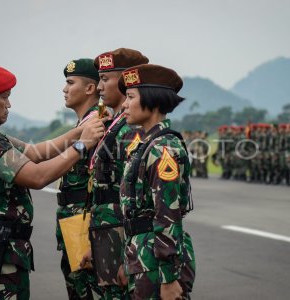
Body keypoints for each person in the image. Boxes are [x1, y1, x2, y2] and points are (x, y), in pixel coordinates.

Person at [0, 64, 105, 299]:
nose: (9, 104)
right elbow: (37, 176)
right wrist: (81, 146)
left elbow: (34, 152)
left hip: (0, 246)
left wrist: (77, 133)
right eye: (4, 98)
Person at [118, 64, 196, 299]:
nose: (124, 104)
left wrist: (169, 277)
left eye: (130, 97)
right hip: (143, 256)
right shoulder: (148, 144)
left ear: (152, 101)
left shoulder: (162, 149)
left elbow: (166, 215)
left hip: (156, 264)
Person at [81, 48, 149, 299]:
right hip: (107, 232)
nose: (99, 86)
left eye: (105, 79)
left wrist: (128, 255)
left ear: (125, 81)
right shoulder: (115, 123)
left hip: (121, 236)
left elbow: (135, 198)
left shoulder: (132, 129)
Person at [56, 58, 103, 299]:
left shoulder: (97, 124)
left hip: (84, 221)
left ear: (90, 88)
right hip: (75, 219)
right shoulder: (85, 124)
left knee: (85, 290)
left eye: (70, 82)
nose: (64, 89)